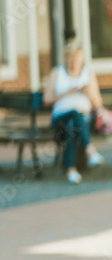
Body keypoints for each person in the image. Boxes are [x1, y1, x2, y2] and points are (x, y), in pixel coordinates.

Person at [43, 38, 105, 184]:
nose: (73, 61)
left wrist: (88, 92)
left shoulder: (88, 74)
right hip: (59, 118)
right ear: (65, 58)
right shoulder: (56, 73)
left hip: (84, 120)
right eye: (70, 57)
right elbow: (46, 99)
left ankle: (71, 171)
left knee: (72, 123)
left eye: (76, 57)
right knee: (73, 115)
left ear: (81, 58)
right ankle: (90, 151)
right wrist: (68, 92)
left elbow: (98, 103)